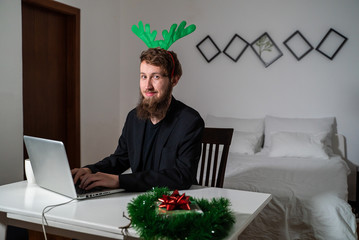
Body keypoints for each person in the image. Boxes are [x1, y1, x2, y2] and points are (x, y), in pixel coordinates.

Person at [72, 47, 204, 192]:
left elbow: (182, 176)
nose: (147, 86)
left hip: (176, 201)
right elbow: (120, 159)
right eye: (143, 76)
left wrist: (120, 181)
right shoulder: (133, 118)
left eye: (156, 77)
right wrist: (90, 170)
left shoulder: (190, 121)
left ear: (174, 80)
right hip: (137, 198)